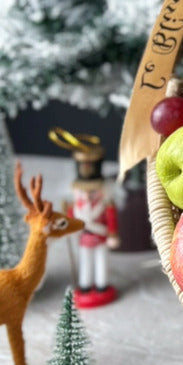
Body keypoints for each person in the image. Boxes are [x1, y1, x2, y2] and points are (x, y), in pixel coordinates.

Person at [50, 130, 120, 308]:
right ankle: (85, 285)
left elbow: (111, 220)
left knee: (101, 262)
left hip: (101, 237)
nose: (88, 196)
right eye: (84, 191)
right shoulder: (75, 206)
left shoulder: (106, 204)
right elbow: (71, 220)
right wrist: (66, 226)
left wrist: (112, 234)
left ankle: (102, 285)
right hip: (84, 239)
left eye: (93, 191)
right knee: (86, 263)